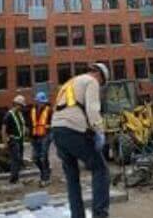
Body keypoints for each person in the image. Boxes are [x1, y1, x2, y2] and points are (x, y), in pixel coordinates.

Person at [52, 62, 111, 218]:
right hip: (72, 131)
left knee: (72, 178)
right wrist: (99, 131)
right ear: (99, 75)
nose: (100, 86)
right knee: (101, 169)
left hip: (57, 131)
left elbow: (66, 109)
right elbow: (93, 110)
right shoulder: (91, 81)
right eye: (102, 83)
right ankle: (100, 215)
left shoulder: (68, 84)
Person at [0, 94, 28, 185]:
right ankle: (13, 180)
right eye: (21, 105)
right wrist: (5, 143)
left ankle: (16, 178)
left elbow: (22, 126)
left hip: (20, 141)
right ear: (16, 104)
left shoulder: (20, 114)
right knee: (15, 159)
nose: (22, 107)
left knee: (19, 159)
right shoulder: (9, 115)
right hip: (13, 140)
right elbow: (3, 130)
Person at [29, 91, 54, 186]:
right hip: (35, 136)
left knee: (43, 156)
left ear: (44, 102)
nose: (39, 103)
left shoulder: (49, 110)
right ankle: (45, 172)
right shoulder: (32, 110)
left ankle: (45, 177)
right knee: (35, 158)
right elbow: (31, 124)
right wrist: (30, 137)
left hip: (45, 136)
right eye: (38, 101)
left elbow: (54, 123)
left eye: (41, 101)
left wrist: (49, 128)